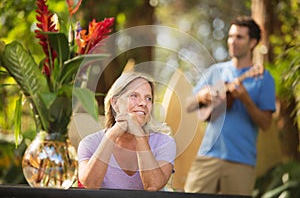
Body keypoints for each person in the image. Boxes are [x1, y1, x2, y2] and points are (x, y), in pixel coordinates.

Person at [184, 16, 276, 195]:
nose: (233, 41)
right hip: (207, 156)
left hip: (241, 162)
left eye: (239, 37)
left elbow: (266, 124)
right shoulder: (215, 71)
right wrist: (202, 96)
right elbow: (188, 106)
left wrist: (246, 99)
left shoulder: (263, 78)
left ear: (253, 42)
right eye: (231, 36)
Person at [77, 71, 176, 191]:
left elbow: (152, 186)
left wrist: (139, 135)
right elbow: (90, 185)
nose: (143, 103)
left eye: (148, 98)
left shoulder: (164, 143)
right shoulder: (89, 143)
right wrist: (112, 134)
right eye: (134, 96)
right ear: (115, 103)